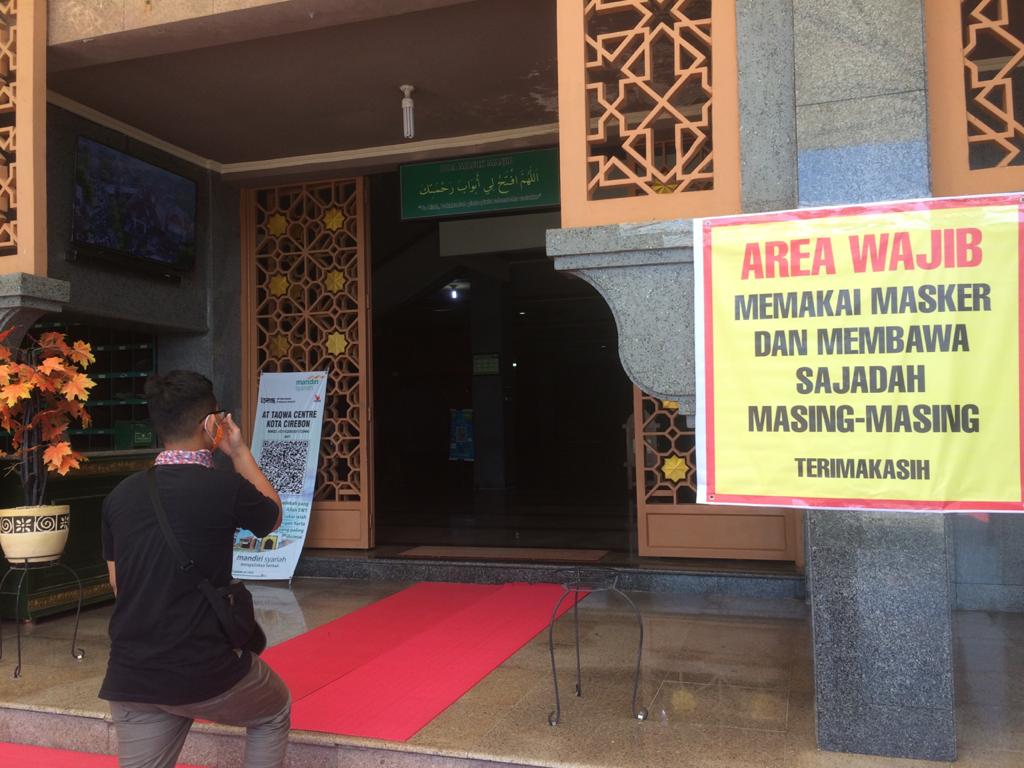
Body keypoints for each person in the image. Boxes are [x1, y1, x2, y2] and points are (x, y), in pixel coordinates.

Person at [100, 370, 290, 768]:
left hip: (130, 673)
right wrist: (238, 452)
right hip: (204, 670)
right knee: (273, 710)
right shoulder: (223, 488)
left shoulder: (120, 496)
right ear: (211, 424)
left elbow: (119, 583)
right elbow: (272, 516)